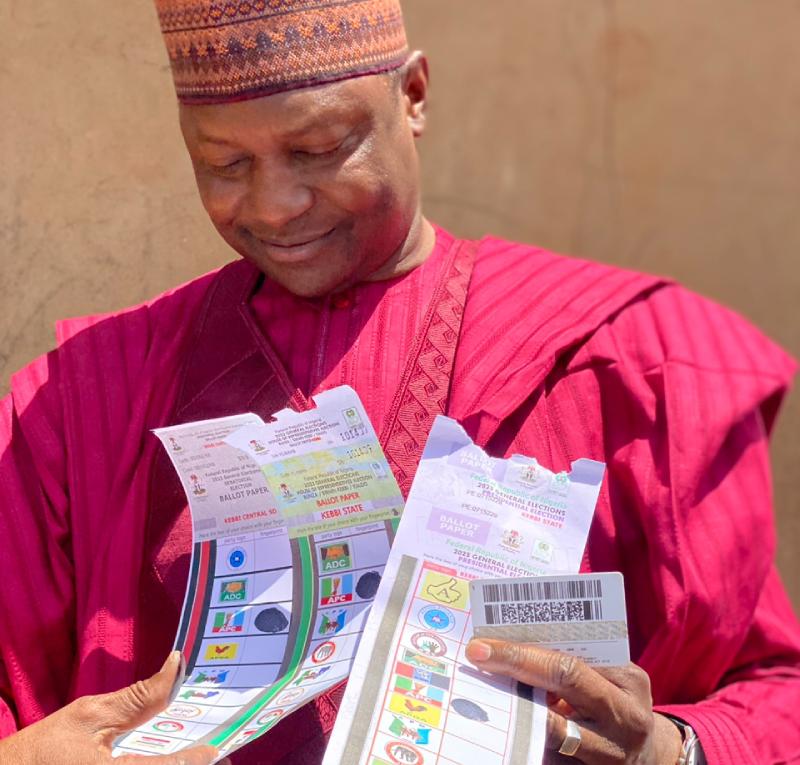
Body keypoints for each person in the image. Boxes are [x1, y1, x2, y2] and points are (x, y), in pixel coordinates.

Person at [0, 1, 798, 763]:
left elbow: (773, 692)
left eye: (318, 148)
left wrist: (671, 748)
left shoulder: (622, 362)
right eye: (226, 163)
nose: (276, 206)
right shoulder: (80, 402)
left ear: (412, 95)